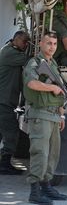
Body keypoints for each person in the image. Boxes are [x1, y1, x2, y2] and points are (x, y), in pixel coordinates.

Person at [23, 32, 67, 204]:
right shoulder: (34, 63)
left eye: (55, 44)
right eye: (48, 43)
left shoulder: (53, 64)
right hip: (40, 114)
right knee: (40, 153)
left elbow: (60, 91)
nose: (52, 47)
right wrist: (50, 88)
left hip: (54, 115)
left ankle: (46, 187)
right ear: (40, 44)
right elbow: (31, 83)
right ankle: (34, 192)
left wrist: (62, 114)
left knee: (52, 155)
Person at [0, 31, 30, 175]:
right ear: (16, 39)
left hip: (4, 101)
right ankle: (4, 165)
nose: (26, 46)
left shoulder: (9, 50)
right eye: (25, 42)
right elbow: (28, 61)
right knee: (11, 133)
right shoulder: (10, 53)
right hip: (3, 102)